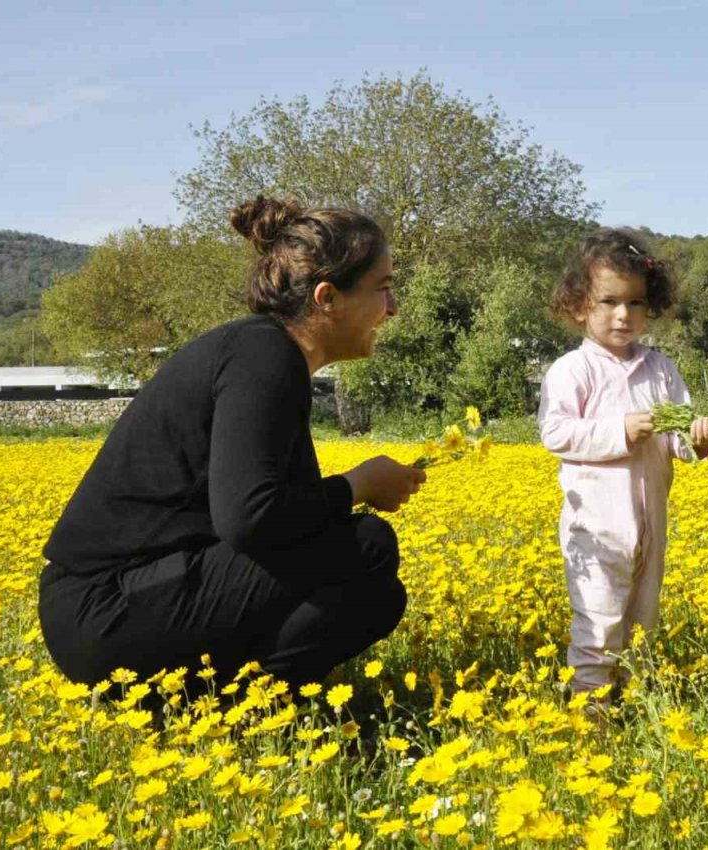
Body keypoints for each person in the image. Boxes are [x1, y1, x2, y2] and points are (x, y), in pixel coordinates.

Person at [39, 196, 426, 692]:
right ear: (327, 298)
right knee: (364, 547)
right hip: (101, 608)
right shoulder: (263, 355)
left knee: (378, 593)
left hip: (114, 604)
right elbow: (251, 516)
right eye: (384, 288)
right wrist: (359, 484)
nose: (393, 308)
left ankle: (237, 703)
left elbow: (271, 521)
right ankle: (241, 705)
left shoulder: (265, 354)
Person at [538, 229, 708, 700]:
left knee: (642, 619)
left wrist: (696, 442)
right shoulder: (571, 370)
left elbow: (678, 437)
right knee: (598, 622)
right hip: (596, 528)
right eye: (609, 302)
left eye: (636, 303)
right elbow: (556, 433)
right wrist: (620, 431)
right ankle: (590, 710)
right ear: (579, 305)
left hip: (651, 523)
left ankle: (633, 703)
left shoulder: (661, 369)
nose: (624, 314)